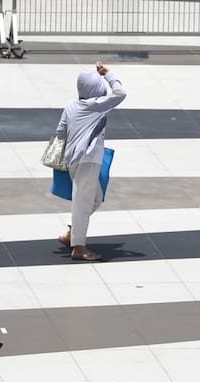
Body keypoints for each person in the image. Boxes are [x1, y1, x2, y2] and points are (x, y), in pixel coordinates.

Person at [56, 61, 127, 261]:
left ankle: (72, 232)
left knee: (94, 199)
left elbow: (60, 132)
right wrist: (108, 74)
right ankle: (78, 247)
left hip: (73, 159)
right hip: (88, 160)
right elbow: (120, 94)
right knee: (82, 203)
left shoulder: (71, 106)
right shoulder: (96, 105)